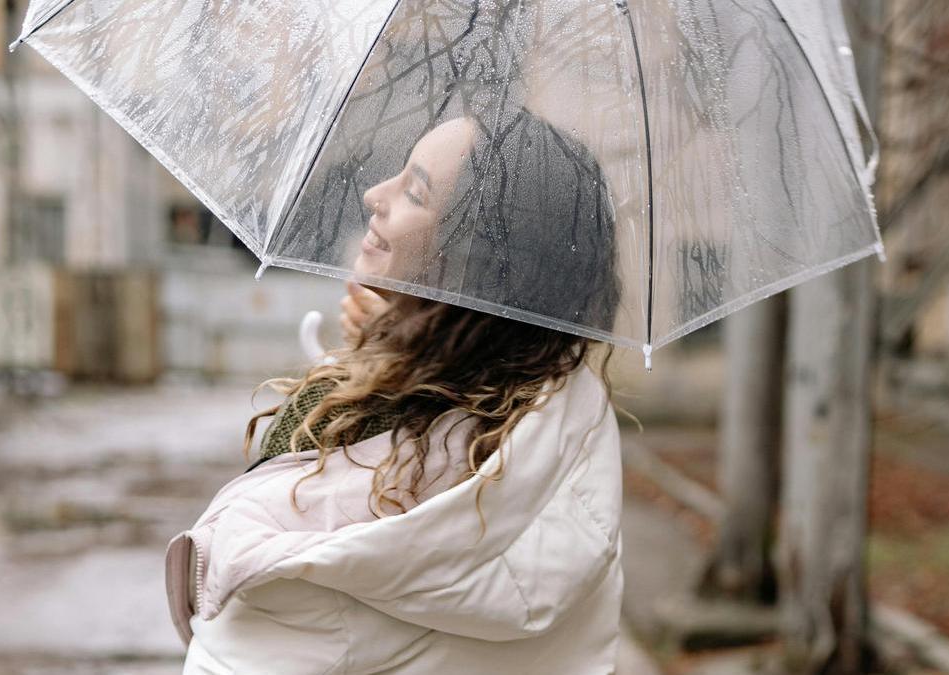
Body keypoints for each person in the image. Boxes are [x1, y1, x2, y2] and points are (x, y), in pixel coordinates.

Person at [165, 109, 626, 674]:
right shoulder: (562, 432)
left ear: (476, 253)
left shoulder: (348, 416)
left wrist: (363, 370)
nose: (373, 194)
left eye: (415, 191)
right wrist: (393, 349)